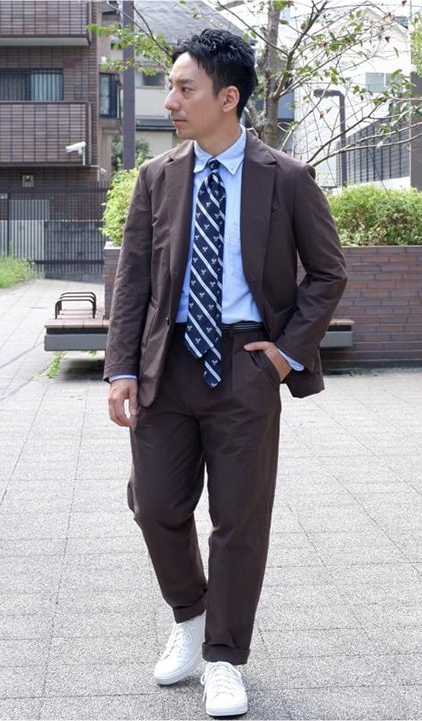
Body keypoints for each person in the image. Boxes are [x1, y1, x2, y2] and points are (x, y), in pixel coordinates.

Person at [105, 28, 347, 718]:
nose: (171, 101)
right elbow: (134, 281)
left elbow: (328, 272)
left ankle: (223, 657)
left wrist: (284, 353)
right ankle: (191, 614)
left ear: (228, 97)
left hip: (245, 367)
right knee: (155, 504)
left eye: (185, 88)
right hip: (168, 363)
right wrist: (122, 368)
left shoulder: (287, 178)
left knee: (239, 518)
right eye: (171, 88)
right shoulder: (157, 178)